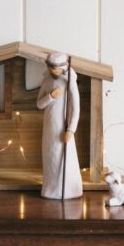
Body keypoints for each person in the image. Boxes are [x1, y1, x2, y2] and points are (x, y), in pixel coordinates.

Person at [36, 52, 82, 200]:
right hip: (49, 126)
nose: (51, 71)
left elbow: (76, 108)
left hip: (63, 126)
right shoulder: (47, 80)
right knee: (51, 156)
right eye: (49, 67)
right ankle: (50, 188)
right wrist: (50, 96)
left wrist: (71, 129)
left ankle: (68, 190)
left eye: (54, 68)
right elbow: (39, 104)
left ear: (63, 67)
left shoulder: (70, 82)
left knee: (64, 156)